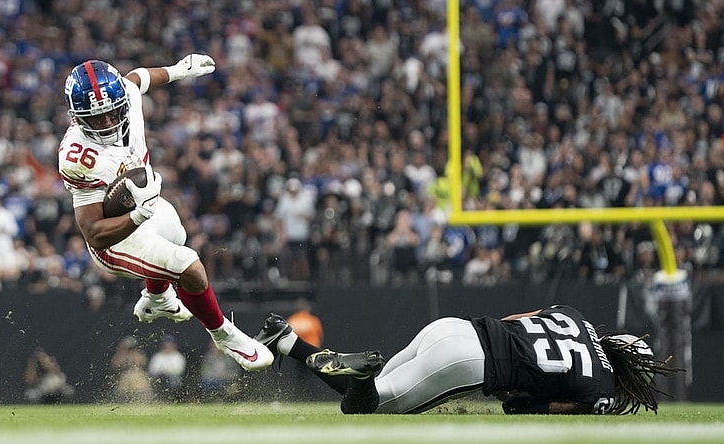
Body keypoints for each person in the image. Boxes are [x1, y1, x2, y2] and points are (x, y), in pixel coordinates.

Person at [58, 55, 273, 371]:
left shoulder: (127, 94)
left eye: (110, 113)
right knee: (188, 265)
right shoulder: (78, 156)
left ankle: (157, 298)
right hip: (113, 238)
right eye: (95, 118)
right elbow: (93, 233)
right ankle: (226, 336)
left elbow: (138, 77)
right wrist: (137, 216)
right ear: (77, 117)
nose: (106, 123)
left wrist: (178, 70)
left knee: (178, 235)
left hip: (146, 205)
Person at [254, 305, 683, 415]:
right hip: (469, 362)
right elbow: (523, 406)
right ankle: (359, 370)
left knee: (380, 383)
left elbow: (519, 319)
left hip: (458, 328)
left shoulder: (574, 316)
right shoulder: (601, 392)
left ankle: (287, 340)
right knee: (364, 404)